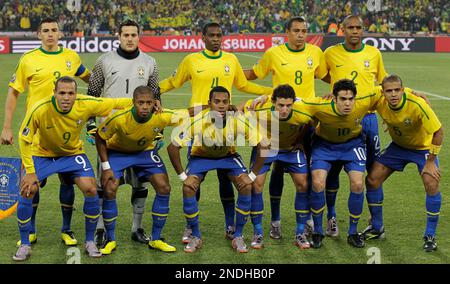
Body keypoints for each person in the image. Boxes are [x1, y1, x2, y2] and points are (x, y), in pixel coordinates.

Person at [160, 22, 272, 244]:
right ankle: (191, 227)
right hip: (198, 126)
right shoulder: (192, 60)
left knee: (226, 178)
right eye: (211, 35)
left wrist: (271, 91)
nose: (215, 39)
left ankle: (230, 225)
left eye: (219, 35)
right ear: (203, 37)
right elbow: (174, 81)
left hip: (225, 124)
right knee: (194, 180)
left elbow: (243, 85)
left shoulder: (231, 59)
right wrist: (155, 91)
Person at [13, 76, 131, 261]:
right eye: (62, 93)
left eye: (71, 93)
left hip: (72, 154)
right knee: (28, 189)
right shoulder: (40, 108)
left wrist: (144, 102)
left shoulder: (86, 103)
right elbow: (24, 138)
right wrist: (29, 171)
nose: (66, 97)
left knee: (91, 188)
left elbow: (116, 102)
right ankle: (25, 244)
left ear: (76, 94)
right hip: (42, 154)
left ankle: (90, 241)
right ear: (54, 93)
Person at [1, 17, 91, 247]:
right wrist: (7, 126)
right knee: (32, 182)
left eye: (54, 30)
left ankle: (67, 229)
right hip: (37, 133)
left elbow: (88, 77)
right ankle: (30, 229)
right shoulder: (28, 59)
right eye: (45, 31)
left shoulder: (71, 56)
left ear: (60, 33)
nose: (50, 34)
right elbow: (13, 92)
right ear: (38, 34)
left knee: (67, 181)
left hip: (65, 131)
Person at [244, 16, 328, 239]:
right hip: (278, 117)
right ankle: (275, 220)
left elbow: (326, 76)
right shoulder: (273, 53)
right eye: (297, 30)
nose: (301, 34)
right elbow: (254, 74)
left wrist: (337, 91)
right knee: (277, 170)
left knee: (308, 172)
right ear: (287, 33)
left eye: (304, 31)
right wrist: (228, 71)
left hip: (307, 120)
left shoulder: (315, 53)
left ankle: (309, 217)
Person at [87, 19, 161, 247]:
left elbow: (156, 98)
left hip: (140, 134)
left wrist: (157, 130)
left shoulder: (150, 62)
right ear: (118, 36)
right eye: (126, 34)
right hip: (110, 134)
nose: (130, 38)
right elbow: (92, 94)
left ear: (140, 36)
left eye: (134, 34)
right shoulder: (104, 61)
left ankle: (137, 228)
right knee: (105, 183)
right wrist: (91, 124)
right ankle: (100, 228)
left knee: (141, 184)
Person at [167, 86, 267, 253]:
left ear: (229, 104)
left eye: (225, 102)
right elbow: (172, 147)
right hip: (201, 157)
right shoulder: (198, 120)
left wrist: (252, 175)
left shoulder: (237, 119)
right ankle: (195, 235)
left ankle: (238, 235)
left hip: (228, 157)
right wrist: (184, 177)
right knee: (188, 188)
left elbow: (263, 145)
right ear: (209, 103)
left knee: (246, 185)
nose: (221, 105)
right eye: (217, 102)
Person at [94, 86, 187, 254]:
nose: (145, 106)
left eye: (148, 103)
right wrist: (106, 166)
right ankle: (111, 239)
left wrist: (211, 107)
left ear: (155, 103)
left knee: (164, 187)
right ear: (133, 103)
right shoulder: (120, 118)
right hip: (118, 152)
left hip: (145, 153)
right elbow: (100, 137)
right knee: (109, 188)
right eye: (141, 103)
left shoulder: (161, 115)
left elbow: (188, 113)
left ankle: (156, 239)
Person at [322, 15, 387, 237]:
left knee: (374, 172)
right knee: (332, 169)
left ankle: (376, 222)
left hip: (368, 119)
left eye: (358, 27)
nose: (355, 31)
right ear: (342, 30)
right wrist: (337, 90)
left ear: (363, 29)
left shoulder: (374, 53)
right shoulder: (330, 53)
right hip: (340, 119)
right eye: (350, 27)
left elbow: (383, 83)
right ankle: (331, 217)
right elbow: (323, 75)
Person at [363, 75, 443, 252]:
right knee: (373, 179)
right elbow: (359, 98)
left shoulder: (417, 103)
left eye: (396, 90)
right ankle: (377, 227)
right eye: (389, 91)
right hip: (398, 147)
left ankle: (430, 235)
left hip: (422, 149)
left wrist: (430, 161)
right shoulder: (378, 98)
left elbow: (438, 131)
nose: (393, 94)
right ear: (382, 92)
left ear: (402, 89)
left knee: (432, 182)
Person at [299, 79, 382, 249]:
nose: (348, 103)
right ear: (334, 99)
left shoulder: (363, 103)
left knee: (358, 183)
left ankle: (353, 232)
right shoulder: (319, 105)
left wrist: (413, 92)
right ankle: (318, 231)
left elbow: (386, 88)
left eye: (351, 99)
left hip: (352, 145)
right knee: (317, 182)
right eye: (343, 99)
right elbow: (291, 100)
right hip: (324, 146)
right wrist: (260, 99)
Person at [239, 84, 313, 249]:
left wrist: (301, 139)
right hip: (267, 149)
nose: (285, 109)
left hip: (290, 149)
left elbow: (313, 122)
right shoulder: (260, 108)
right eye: (280, 105)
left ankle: (300, 232)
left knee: (303, 184)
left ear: (294, 103)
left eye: (288, 105)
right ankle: (258, 232)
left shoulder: (303, 111)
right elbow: (239, 109)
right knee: (256, 185)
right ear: (273, 102)